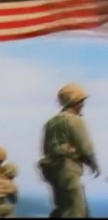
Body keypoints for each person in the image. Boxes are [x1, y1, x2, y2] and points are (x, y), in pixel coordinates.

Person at [37, 83, 101, 218]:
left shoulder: (50, 123)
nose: (83, 104)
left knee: (63, 207)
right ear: (74, 101)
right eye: (81, 101)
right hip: (68, 169)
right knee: (75, 210)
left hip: (52, 170)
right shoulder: (74, 120)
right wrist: (94, 164)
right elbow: (85, 146)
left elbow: (45, 148)